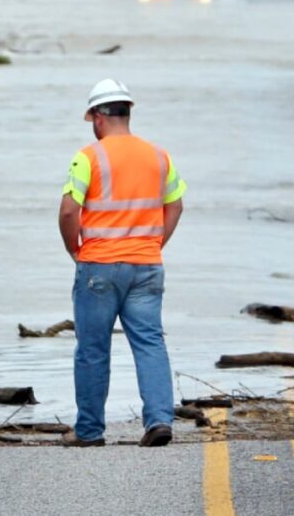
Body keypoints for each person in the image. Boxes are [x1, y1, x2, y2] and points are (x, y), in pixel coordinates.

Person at [58, 79, 186, 448]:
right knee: (150, 342)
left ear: (97, 117)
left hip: (99, 264)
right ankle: (160, 420)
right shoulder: (159, 156)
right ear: (127, 112)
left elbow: (69, 210)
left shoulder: (89, 157)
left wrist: (74, 250)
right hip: (147, 264)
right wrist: (155, 243)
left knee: (93, 349)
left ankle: (89, 431)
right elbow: (175, 205)